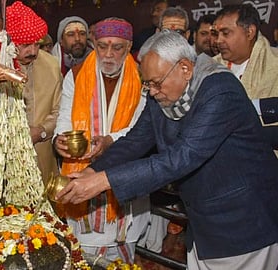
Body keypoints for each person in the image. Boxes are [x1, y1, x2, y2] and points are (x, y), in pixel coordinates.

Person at [56, 29, 278, 270]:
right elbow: (135, 141)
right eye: (147, 84)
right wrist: (92, 171)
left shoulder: (219, 90)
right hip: (204, 226)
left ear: (184, 68)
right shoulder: (161, 94)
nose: (151, 91)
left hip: (242, 226)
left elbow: (181, 157)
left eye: (156, 83)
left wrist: (103, 181)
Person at [53, 17, 148, 263]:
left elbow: (142, 129)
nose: (108, 54)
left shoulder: (143, 75)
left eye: (117, 47)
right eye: (102, 45)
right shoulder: (76, 74)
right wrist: (59, 139)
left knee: (121, 260)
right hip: (83, 175)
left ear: (128, 46)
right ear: (93, 42)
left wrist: (110, 141)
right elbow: (65, 115)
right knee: (82, 259)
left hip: (125, 178)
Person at [0, 1, 62, 207]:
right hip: (1, 165)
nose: (33, 51)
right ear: (7, 41)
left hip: (42, 158)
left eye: (37, 43)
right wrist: (7, 136)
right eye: (26, 45)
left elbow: (59, 109)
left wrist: (42, 131)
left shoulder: (51, 65)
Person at [213, 4, 278, 151]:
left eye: (226, 33)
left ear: (249, 32)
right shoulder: (209, 67)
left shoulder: (274, 66)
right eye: (217, 34)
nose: (218, 41)